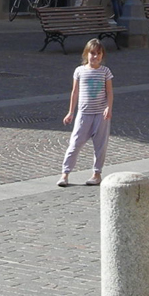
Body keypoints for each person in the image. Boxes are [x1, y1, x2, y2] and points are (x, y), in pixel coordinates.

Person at [58, 38, 113, 188]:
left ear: (102, 55)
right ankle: (65, 173)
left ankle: (96, 174)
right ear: (86, 54)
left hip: (100, 114)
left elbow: (109, 91)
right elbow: (74, 92)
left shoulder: (105, 72)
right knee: (74, 144)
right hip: (84, 114)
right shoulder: (79, 71)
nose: (95, 57)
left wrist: (109, 107)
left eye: (98, 54)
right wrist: (70, 112)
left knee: (100, 145)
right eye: (92, 53)